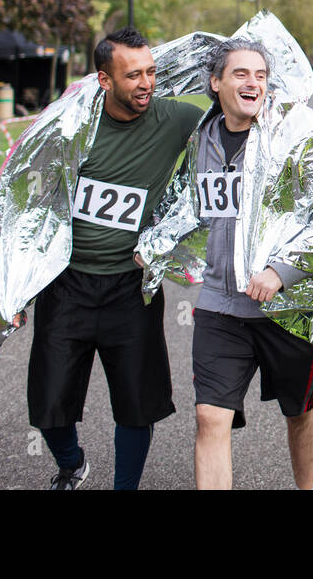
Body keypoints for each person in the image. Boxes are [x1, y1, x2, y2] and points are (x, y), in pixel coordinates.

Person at [28, 27, 202, 490]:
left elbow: (239, 126)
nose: (146, 83)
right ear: (104, 80)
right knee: (48, 403)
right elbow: (29, 204)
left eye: (151, 72)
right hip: (67, 284)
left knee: (136, 402)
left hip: (131, 286)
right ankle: (71, 462)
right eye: (133, 75)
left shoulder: (178, 119)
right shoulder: (71, 127)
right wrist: (14, 289)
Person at [183, 38, 313, 490]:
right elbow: (186, 207)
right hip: (219, 305)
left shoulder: (294, 137)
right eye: (241, 73)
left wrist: (281, 272)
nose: (253, 83)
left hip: (289, 310)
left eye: (261, 75)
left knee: (298, 411)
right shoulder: (199, 140)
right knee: (209, 416)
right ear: (216, 82)